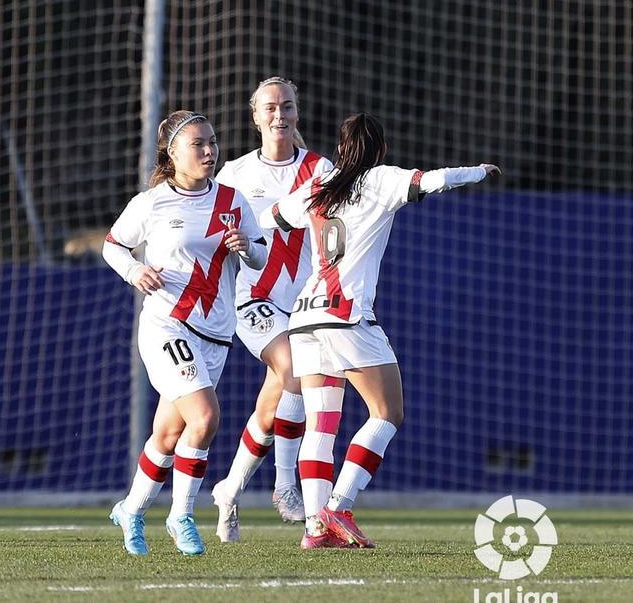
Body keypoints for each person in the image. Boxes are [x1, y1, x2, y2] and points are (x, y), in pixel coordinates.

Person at [262, 112, 500, 548]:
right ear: (381, 150)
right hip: (346, 316)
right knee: (387, 412)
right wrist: (480, 171)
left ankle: (316, 529)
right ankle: (340, 504)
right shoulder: (380, 179)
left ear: (340, 149)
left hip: (305, 316)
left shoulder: (318, 187)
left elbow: (273, 216)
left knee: (320, 426)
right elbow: (434, 180)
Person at [103, 110, 268, 556]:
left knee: (169, 435)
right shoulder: (152, 202)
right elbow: (113, 244)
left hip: (215, 335)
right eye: (198, 144)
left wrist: (247, 248)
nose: (210, 151)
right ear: (172, 152)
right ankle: (182, 516)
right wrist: (134, 269)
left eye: (212, 142)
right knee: (206, 417)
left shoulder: (233, 200)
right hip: (167, 324)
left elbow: (261, 257)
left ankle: (132, 510)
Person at [210, 77, 334, 541]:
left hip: (305, 301)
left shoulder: (321, 170)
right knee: (295, 372)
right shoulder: (235, 175)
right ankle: (285, 486)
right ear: (255, 116)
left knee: (272, 404)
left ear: (297, 113)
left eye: (287, 107)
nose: (279, 115)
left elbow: (339, 229)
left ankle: (229, 489)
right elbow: (210, 234)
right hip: (252, 298)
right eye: (270, 108)